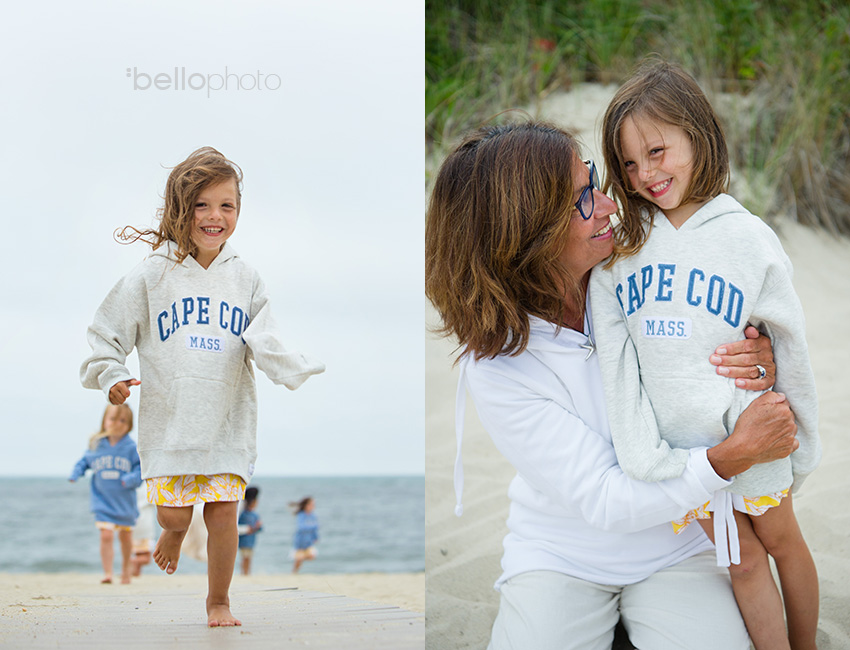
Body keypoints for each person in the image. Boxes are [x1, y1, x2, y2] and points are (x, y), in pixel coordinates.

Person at [425, 121, 800, 649]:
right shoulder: (496, 367)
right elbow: (603, 498)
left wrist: (756, 359)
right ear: (526, 235)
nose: (607, 205)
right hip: (561, 554)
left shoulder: (640, 274)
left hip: (682, 539)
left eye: (594, 181)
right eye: (582, 201)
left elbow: (724, 340)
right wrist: (730, 457)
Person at [591, 60, 820, 650]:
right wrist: (643, 452)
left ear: (697, 133)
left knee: (783, 543)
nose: (646, 174)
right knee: (741, 561)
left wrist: (803, 433)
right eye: (630, 164)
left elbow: (787, 340)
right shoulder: (624, 249)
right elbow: (617, 361)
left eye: (659, 151)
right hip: (680, 455)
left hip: (749, 428)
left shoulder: (746, 237)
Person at [80, 147, 325, 627]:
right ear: (180, 208)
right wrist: (111, 376)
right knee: (173, 516)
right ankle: (172, 531)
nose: (215, 216)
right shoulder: (152, 274)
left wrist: (289, 366)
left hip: (228, 422)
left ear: (238, 211)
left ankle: (219, 601)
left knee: (223, 515)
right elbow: (105, 335)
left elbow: (265, 337)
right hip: (170, 426)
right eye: (202, 205)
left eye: (227, 205)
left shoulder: (246, 277)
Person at [69, 404, 141, 585]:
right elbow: (84, 462)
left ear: (129, 424)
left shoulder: (132, 448)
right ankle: (108, 572)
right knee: (106, 535)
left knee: (125, 538)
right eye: (113, 419)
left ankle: (125, 570)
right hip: (102, 500)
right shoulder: (97, 445)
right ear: (104, 421)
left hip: (124, 502)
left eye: (123, 420)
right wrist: (76, 473)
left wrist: (130, 479)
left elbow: (141, 470)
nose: (117, 423)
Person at [238, 486, 263, 575]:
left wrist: (258, 526)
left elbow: (260, 528)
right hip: (244, 540)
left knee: (249, 557)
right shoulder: (244, 514)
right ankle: (244, 572)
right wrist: (246, 529)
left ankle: (247, 572)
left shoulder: (254, 515)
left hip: (251, 540)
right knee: (245, 557)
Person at [290, 497, 318, 573]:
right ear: (306, 505)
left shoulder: (313, 516)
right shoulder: (301, 515)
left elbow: (315, 529)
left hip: (308, 541)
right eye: (311, 504)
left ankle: (295, 570)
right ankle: (294, 572)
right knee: (298, 560)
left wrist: (315, 537)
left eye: (313, 505)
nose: (313, 506)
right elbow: (301, 527)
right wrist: (312, 526)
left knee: (312, 556)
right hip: (300, 541)